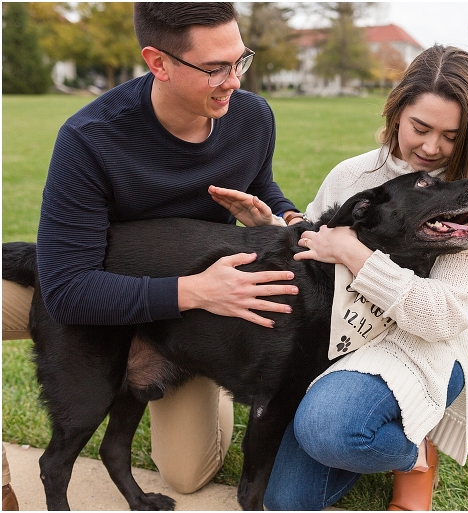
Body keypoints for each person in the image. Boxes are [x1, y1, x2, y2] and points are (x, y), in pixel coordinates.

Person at [2, 2, 307, 495]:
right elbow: (67, 290)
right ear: (158, 63)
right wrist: (192, 291)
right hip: (96, 281)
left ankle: (207, 381)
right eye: (214, 69)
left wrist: (284, 217)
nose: (233, 81)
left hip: (182, 315)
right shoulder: (89, 139)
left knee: (187, 474)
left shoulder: (250, 117)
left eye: (239, 61)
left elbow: (263, 184)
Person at [262, 45, 468, 511]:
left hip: (424, 350)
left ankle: (412, 449)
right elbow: (315, 246)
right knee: (284, 501)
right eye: (420, 127)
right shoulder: (353, 175)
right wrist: (279, 226)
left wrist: (357, 256)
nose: (429, 147)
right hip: (346, 340)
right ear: (397, 110)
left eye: (449, 135)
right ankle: (368, 427)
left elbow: (443, 318)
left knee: (329, 428)